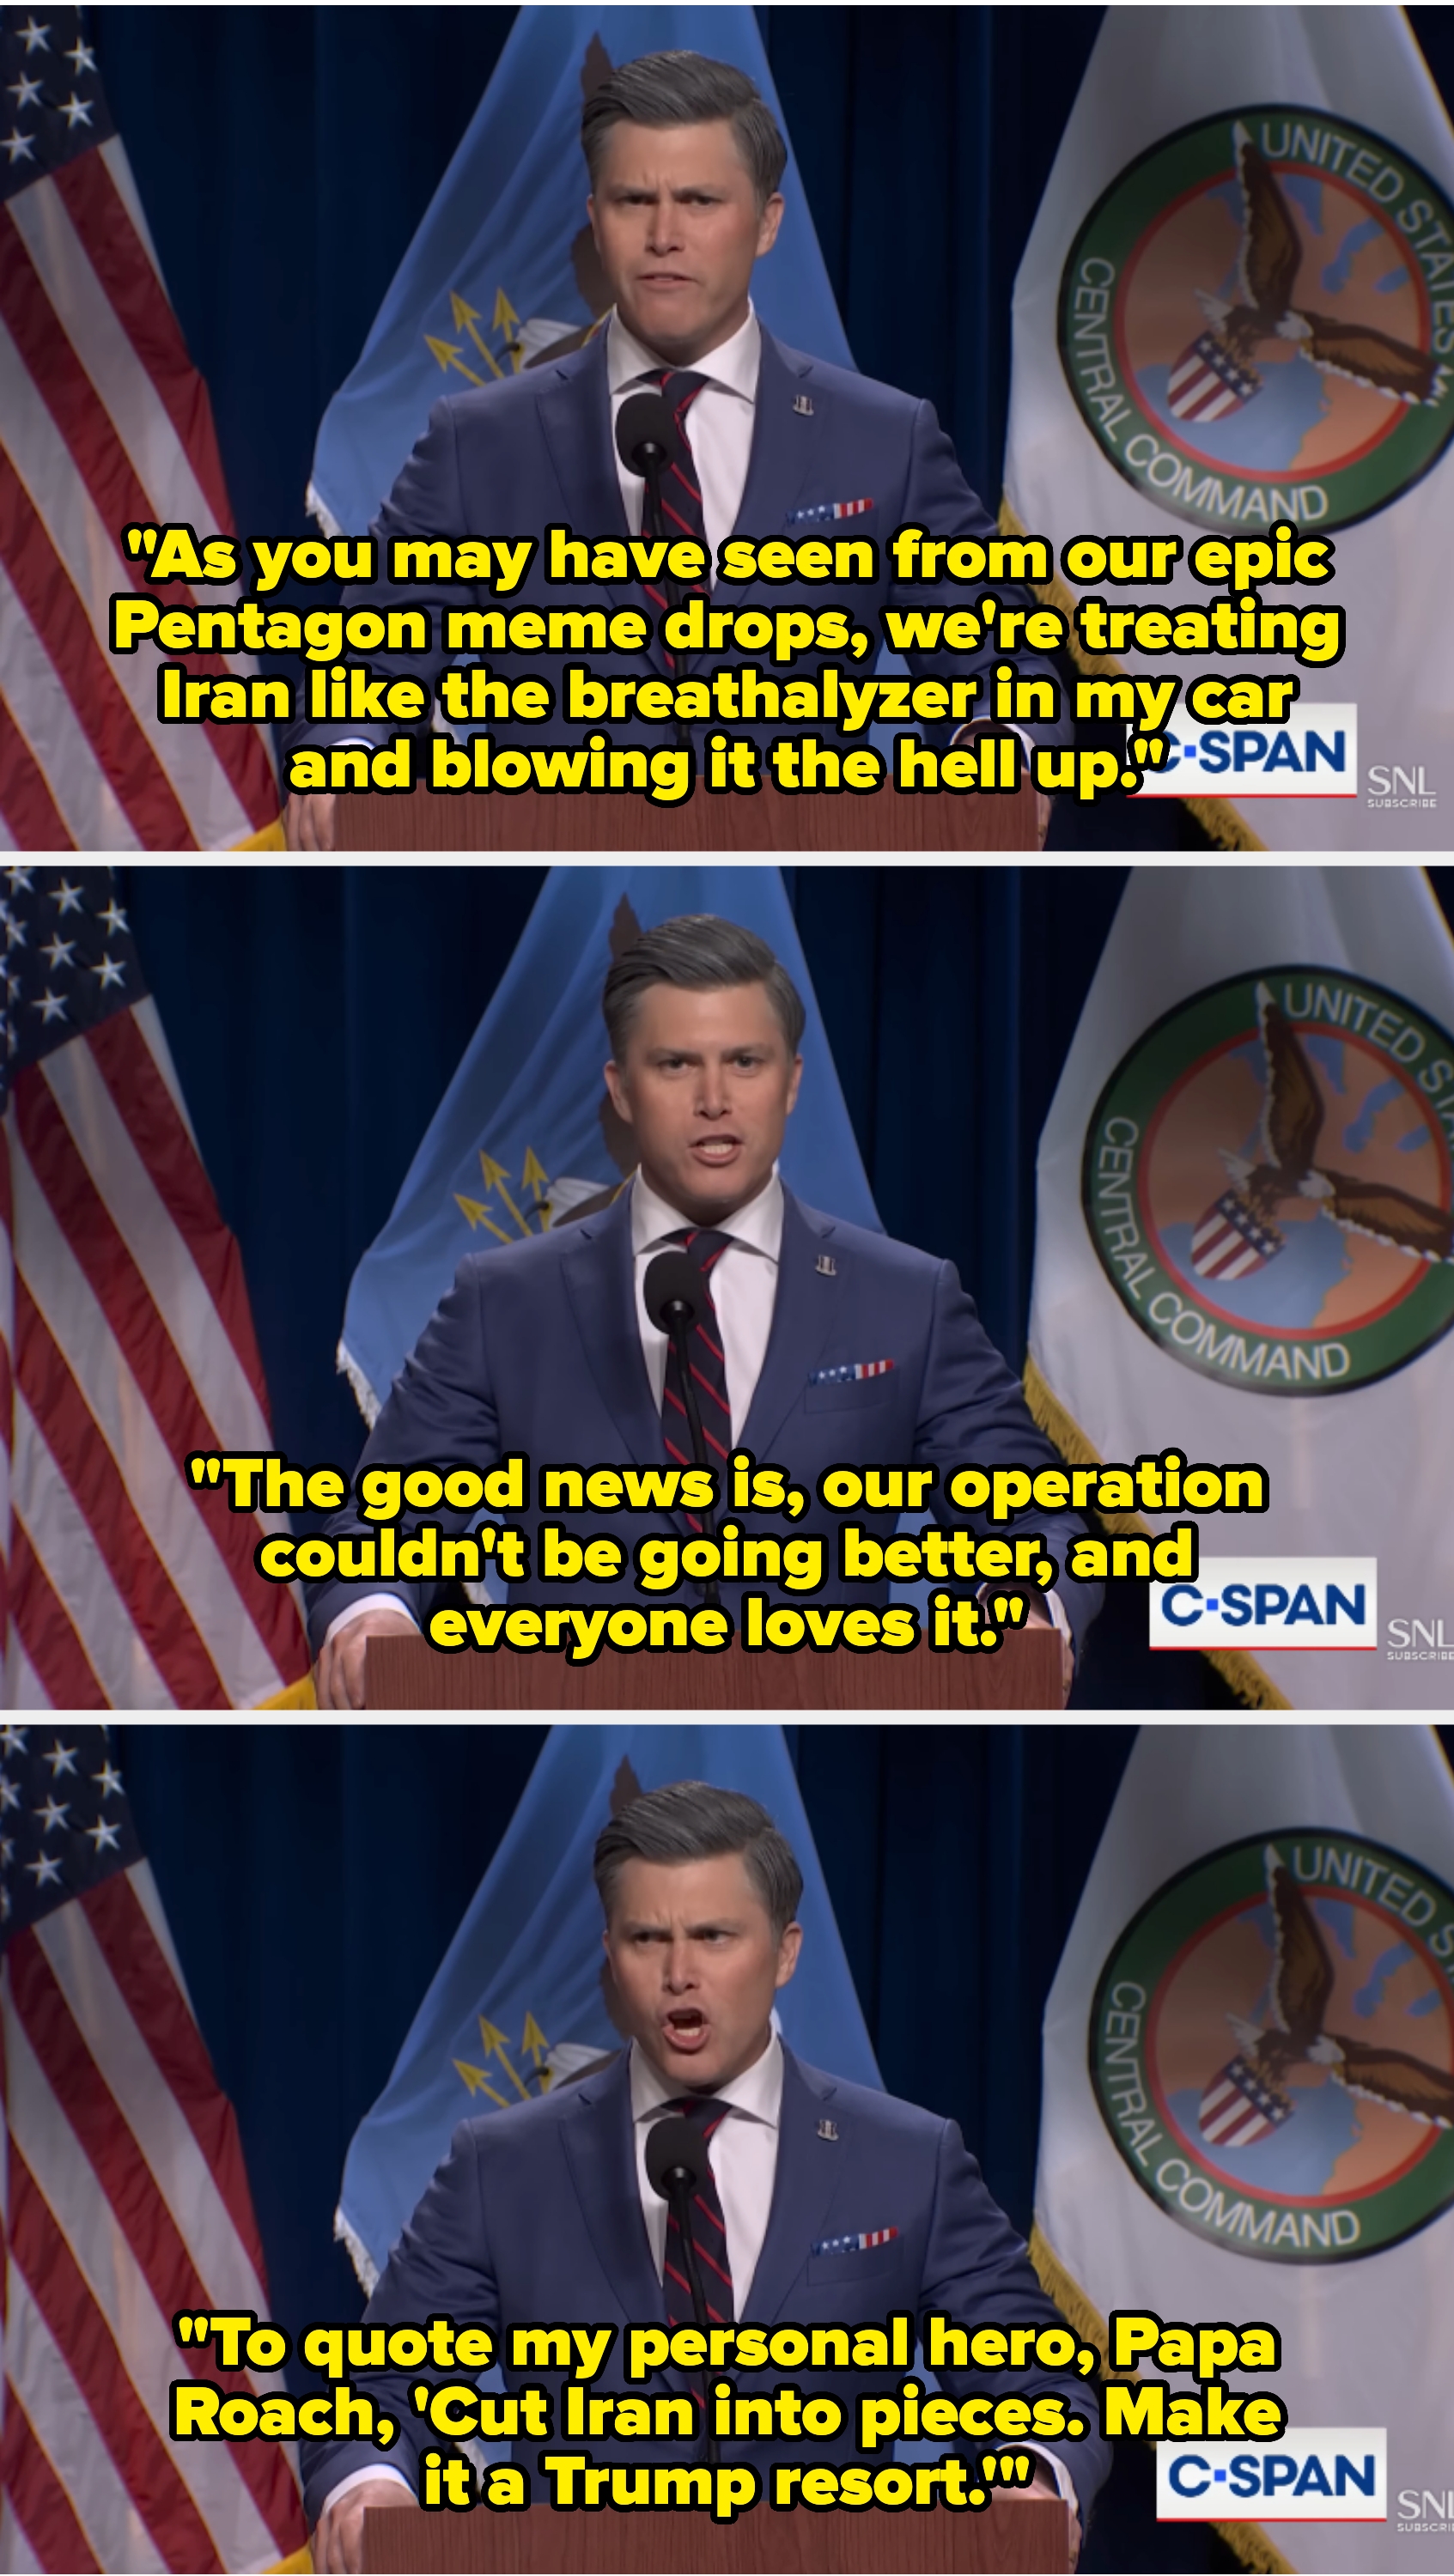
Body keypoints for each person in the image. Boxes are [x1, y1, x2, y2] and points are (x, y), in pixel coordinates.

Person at [306, 1781, 1111, 2570]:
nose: (679, 1973)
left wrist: (1033, 2479)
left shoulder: (906, 2160)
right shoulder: (502, 2166)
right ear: (609, 1957)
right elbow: (379, 2393)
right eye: (646, 1938)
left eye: (714, 1936)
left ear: (785, 1953)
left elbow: (1041, 2381)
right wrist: (372, 2483)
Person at [284, 51, 1068, 850]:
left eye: (699, 201)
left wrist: (1000, 744)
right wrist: (348, 751)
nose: (664, 236)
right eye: (634, 201)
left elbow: (1001, 660)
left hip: (791, 875)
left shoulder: (883, 440)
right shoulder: (475, 441)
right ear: (595, 220)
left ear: (767, 222)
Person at [312, 914, 1098, 1707]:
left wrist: (1030, 1606)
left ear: (791, 1082)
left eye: (744, 1063)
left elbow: (1036, 1514)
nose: (714, 1101)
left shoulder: (906, 1299)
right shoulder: (503, 1300)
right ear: (621, 1089)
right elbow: (379, 1528)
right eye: (676, 1064)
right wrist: (374, 1613)